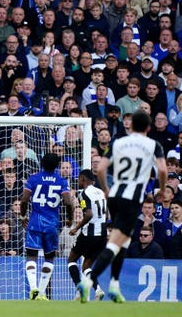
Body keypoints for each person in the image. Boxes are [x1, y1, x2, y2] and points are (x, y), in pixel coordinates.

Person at [79, 112, 168, 303]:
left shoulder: (118, 142)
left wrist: (105, 188)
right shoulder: (153, 145)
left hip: (115, 196)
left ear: (131, 125)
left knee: (124, 241)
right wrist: (161, 189)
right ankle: (89, 281)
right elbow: (162, 169)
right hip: (132, 199)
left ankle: (114, 284)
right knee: (115, 243)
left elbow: (101, 168)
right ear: (148, 128)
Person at [20, 152, 74, 301]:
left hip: (35, 222)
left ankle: (33, 288)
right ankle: (42, 292)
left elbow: (24, 200)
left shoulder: (34, 179)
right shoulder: (62, 181)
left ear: (42, 164)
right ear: (57, 166)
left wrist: (22, 216)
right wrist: (70, 218)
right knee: (49, 258)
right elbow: (69, 202)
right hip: (52, 224)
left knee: (31, 256)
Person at [67, 170, 107, 301]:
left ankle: (80, 289)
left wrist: (76, 228)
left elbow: (89, 213)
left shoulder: (84, 194)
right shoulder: (100, 192)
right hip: (102, 234)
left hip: (89, 234)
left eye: (79, 179)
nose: (78, 182)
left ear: (83, 179)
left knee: (72, 260)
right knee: (86, 267)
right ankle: (98, 290)